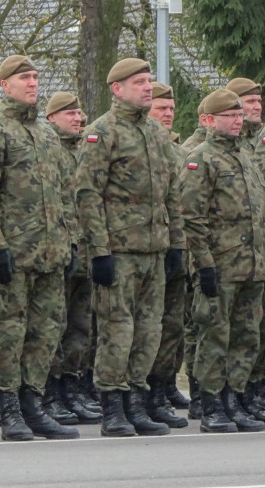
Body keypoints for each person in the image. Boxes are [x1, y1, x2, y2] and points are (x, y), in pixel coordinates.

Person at [0, 55, 78, 441]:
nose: (32, 83)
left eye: (34, 77)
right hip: (13, 252)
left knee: (47, 331)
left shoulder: (48, 134)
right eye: (23, 78)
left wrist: (68, 240)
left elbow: (64, 192)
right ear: (4, 86)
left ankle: (34, 402)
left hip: (50, 252)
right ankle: (9, 407)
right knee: (9, 333)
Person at [73, 57, 185, 437]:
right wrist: (99, 251)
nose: (147, 87)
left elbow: (171, 193)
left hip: (154, 249)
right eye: (138, 82)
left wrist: (176, 244)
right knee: (117, 331)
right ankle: (113, 404)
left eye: (148, 80)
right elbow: (87, 194)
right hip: (118, 251)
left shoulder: (155, 133)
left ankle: (137, 398)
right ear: (117, 89)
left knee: (149, 329)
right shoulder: (102, 132)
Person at [180, 88, 265, 433]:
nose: (236, 120)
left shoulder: (246, 154)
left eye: (238, 114)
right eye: (229, 115)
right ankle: (212, 403)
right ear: (209, 120)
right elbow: (192, 218)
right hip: (220, 265)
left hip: (252, 264)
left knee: (246, 337)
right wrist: (204, 265)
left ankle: (236, 398)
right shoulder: (202, 158)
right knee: (215, 336)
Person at [43, 90, 102, 425]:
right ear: (52, 118)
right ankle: (50, 393)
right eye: (70, 113)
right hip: (61, 252)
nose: (78, 118)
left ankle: (71, 388)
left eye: (79, 113)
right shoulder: (50, 151)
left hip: (86, 251)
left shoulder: (84, 153)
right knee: (55, 326)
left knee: (81, 327)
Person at [144, 81, 190, 428]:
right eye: (161, 108)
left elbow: (178, 201)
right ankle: (139, 395)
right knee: (145, 327)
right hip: (141, 247)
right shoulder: (146, 143)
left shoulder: (175, 150)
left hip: (172, 245)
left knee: (171, 325)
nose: (168, 114)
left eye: (171, 109)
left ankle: (162, 387)